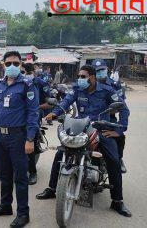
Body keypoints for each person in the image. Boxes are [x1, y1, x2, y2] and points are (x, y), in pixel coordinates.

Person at [37, 65, 132, 217]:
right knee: (60, 154)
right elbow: (66, 102)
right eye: (79, 76)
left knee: (113, 160)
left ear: (92, 77)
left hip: (101, 129)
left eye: (83, 76)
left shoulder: (107, 91)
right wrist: (54, 114)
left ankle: (117, 201)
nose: (80, 79)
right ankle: (52, 188)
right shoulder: (77, 89)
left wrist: (119, 130)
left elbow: (124, 109)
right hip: (81, 127)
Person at [0, 51, 39, 228]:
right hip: (0, 135)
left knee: (20, 177)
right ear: (3, 65)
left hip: (18, 136)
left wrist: (30, 138)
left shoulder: (27, 85)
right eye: (8, 64)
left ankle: (23, 213)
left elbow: (33, 113)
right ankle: (5, 206)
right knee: (4, 174)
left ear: (21, 64)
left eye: (15, 63)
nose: (12, 66)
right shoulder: (0, 85)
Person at [92, 59, 128, 173]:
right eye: (97, 71)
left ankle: (119, 159)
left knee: (119, 136)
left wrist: (119, 129)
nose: (100, 72)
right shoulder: (88, 84)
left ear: (107, 69)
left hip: (108, 118)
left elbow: (122, 107)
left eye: (102, 69)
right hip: (90, 118)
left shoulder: (115, 85)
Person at [21, 62, 52, 185]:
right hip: (17, 114)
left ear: (32, 73)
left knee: (30, 140)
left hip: (34, 113)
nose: (25, 75)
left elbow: (48, 103)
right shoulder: (16, 83)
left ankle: (32, 172)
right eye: (23, 72)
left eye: (27, 73)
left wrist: (35, 106)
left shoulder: (41, 83)